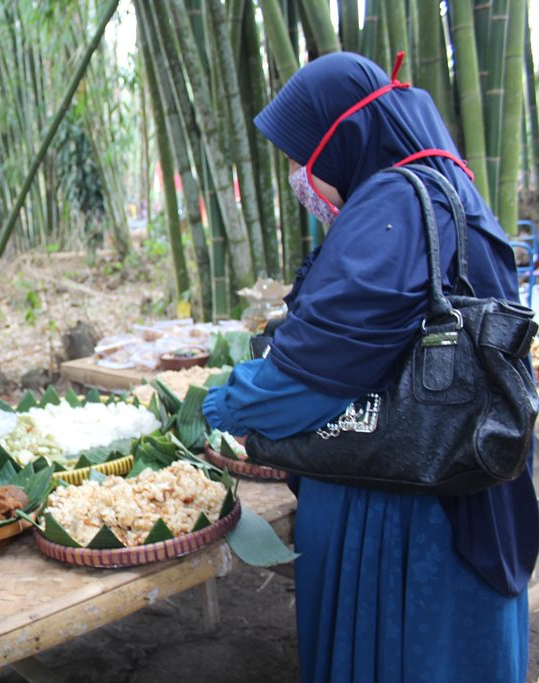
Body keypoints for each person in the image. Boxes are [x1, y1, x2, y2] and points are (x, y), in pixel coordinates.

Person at [202, 52, 537, 681]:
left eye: (305, 160)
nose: (301, 178)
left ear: (342, 141)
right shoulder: (451, 187)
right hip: (473, 478)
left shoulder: (397, 202)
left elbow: (308, 382)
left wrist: (225, 402)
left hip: (406, 511)